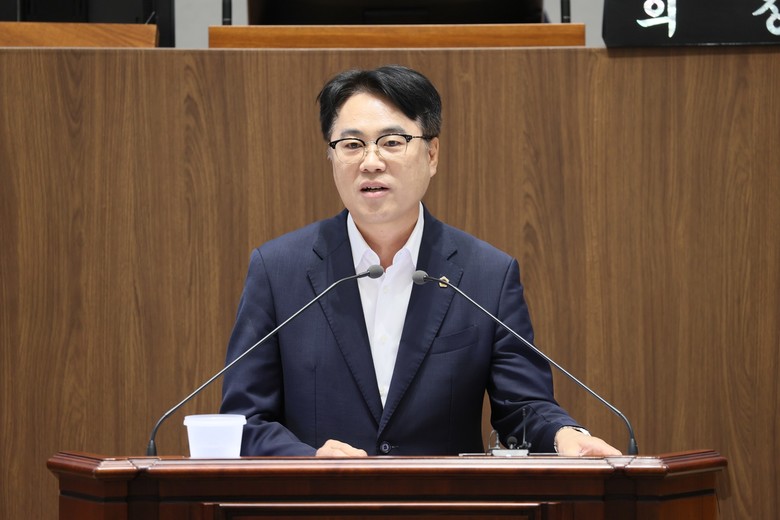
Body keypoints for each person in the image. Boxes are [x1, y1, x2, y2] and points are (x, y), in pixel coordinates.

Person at [220, 65, 621, 458]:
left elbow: (523, 406)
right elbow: (243, 420)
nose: (371, 161)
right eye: (352, 144)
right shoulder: (278, 271)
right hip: (321, 496)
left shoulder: (486, 276)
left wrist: (563, 435)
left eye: (392, 142)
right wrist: (309, 460)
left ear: (431, 154)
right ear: (332, 155)